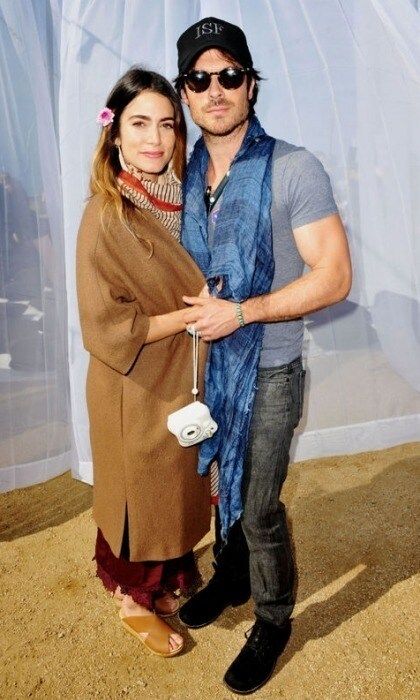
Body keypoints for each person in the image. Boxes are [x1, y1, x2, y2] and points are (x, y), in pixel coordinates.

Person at [174, 17, 352, 693]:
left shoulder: (292, 167)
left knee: (259, 501)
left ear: (251, 85)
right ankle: (232, 573)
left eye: (229, 75)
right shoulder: (183, 174)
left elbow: (334, 276)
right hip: (205, 366)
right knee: (220, 483)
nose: (214, 90)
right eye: (199, 78)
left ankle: (273, 620)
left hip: (271, 365)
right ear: (185, 95)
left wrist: (242, 311)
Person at [76, 67, 211, 658]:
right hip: (134, 381)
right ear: (114, 134)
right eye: (139, 123)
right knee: (142, 488)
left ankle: (170, 577)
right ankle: (133, 595)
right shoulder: (106, 214)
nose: (155, 138)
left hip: (185, 370)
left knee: (181, 482)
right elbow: (107, 327)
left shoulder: (189, 198)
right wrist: (191, 316)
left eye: (166, 124)